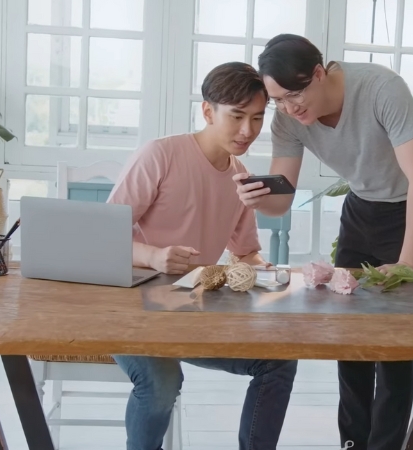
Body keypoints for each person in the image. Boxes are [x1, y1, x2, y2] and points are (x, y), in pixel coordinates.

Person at [234, 34, 413, 450]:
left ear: (318, 74)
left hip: (412, 206)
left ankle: (385, 445)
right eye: (277, 100)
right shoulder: (288, 119)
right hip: (361, 207)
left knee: (394, 341)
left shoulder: (381, 89)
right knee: (348, 331)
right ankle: (353, 442)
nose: (290, 108)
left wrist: (406, 263)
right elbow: (282, 200)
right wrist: (256, 197)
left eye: (293, 95)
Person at [106, 62, 297, 450]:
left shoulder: (241, 177)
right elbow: (101, 238)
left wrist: (274, 274)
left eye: (258, 118)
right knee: (161, 382)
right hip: (130, 315)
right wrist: (154, 256)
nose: (248, 131)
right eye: (237, 116)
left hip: (187, 315)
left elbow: (246, 255)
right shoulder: (159, 155)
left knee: (279, 361)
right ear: (208, 111)